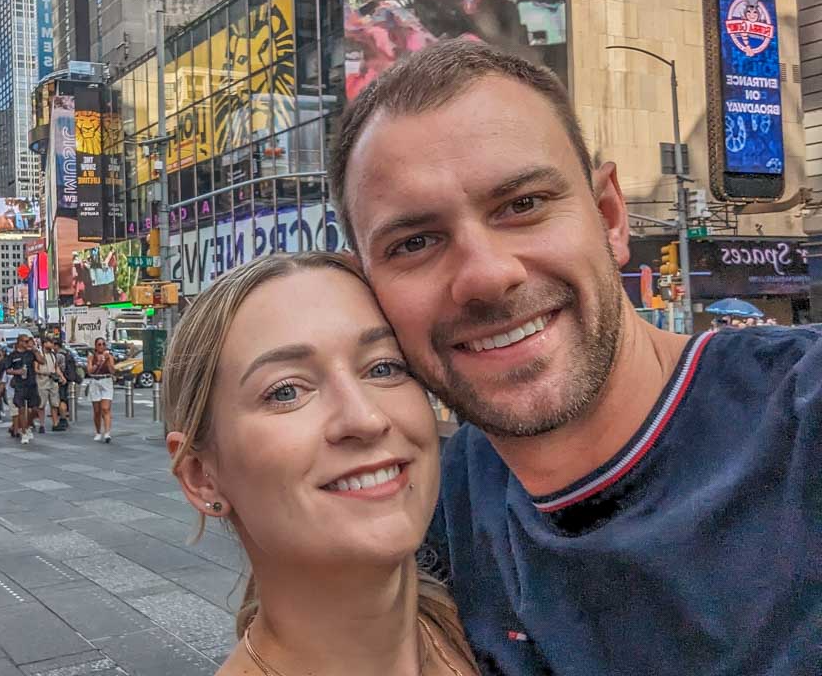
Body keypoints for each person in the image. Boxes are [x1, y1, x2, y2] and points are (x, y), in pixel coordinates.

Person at [330, 39, 822, 673]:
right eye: (415, 241)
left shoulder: (802, 418)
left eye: (522, 205)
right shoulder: (424, 512)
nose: (486, 275)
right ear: (366, 287)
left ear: (610, 215)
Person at [164, 253, 475, 675]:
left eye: (384, 367)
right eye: (287, 391)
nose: (365, 418)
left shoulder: (507, 625)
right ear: (202, 477)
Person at [5, 335, 40, 441]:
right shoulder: (13, 355)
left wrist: (36, 350)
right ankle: (24, 431)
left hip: (32, 384)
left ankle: (28, 425)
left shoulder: (31, 353)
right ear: (20, 342)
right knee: (21, 408)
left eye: (29, 341)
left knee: (34, 409)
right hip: (20, 384)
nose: (27, 343)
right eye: (26, 341)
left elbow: (42, 361)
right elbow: (7, 369)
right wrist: (17, 372)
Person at [86, 337, 116, 443]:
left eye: (103, 344)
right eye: (99, 344)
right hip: (95, 381)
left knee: (105, 408)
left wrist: (107, 361)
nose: (102, 346)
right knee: (97, 410)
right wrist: (97, 363)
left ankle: (107, 433)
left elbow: (113, 371)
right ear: (95, 346)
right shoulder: (91, 357)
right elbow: (89, 371)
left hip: (106, 380)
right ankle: (98, 431)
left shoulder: (109, 357)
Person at [37, 337, 68, 431]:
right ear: (44, 343)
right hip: (42, 381)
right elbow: (36, 368)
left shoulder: (53, 355)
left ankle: (55, 423)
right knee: (41, 404)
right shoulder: (39, 354)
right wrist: (45, 373)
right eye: (50, 343)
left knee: (54, 403)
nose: (52, 345)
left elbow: (56, 367)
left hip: (52, 381)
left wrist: (61, 376)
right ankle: (41, 425)